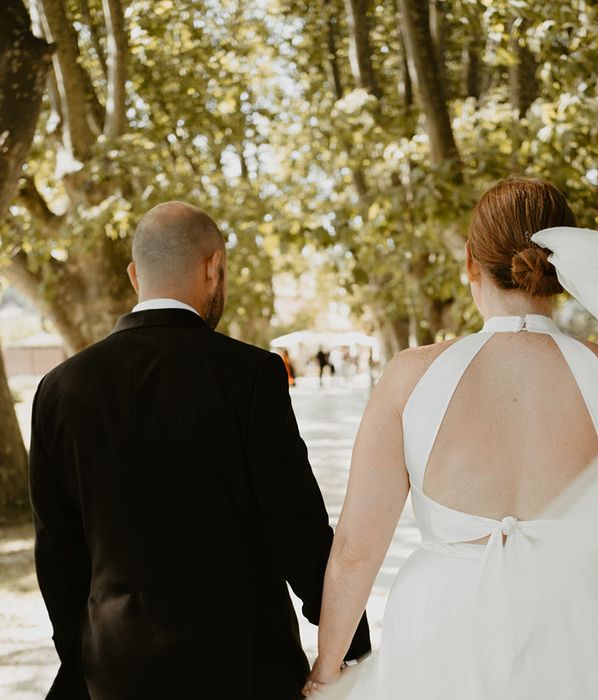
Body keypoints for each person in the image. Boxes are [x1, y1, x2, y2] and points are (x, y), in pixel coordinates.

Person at [304, 178, 598, 699]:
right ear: (563, 267)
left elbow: (356, 550)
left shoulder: (410, 377)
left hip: (441, 623)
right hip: (581, 621)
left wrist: (327, 671)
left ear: (470, 264)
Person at [29, 201, 369, 700]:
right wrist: (348, 643)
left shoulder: (59, 389)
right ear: (213, 267)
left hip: (116, 670)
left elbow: (57, 552)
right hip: (245, 668)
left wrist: (82, 655)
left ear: (133, 275)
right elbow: (295, 526)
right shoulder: (251, 376)